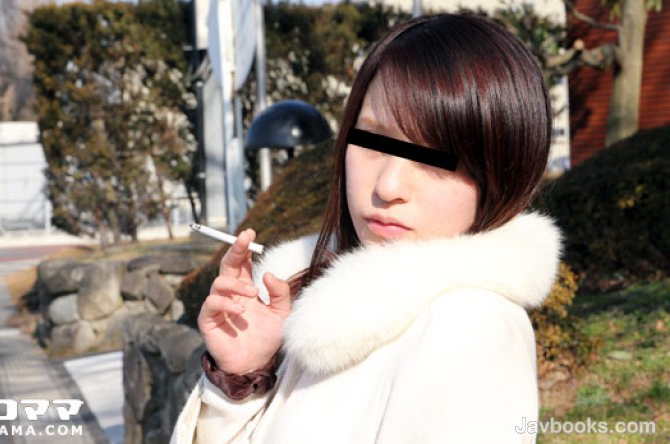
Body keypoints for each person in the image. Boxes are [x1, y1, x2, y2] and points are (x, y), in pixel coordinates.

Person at [173, 13, 561, 443]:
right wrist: (242, 378)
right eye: (374, 140)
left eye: (435, 159)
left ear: (501, 172)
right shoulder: (316, 293)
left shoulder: (470, 324)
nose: (388, 186)